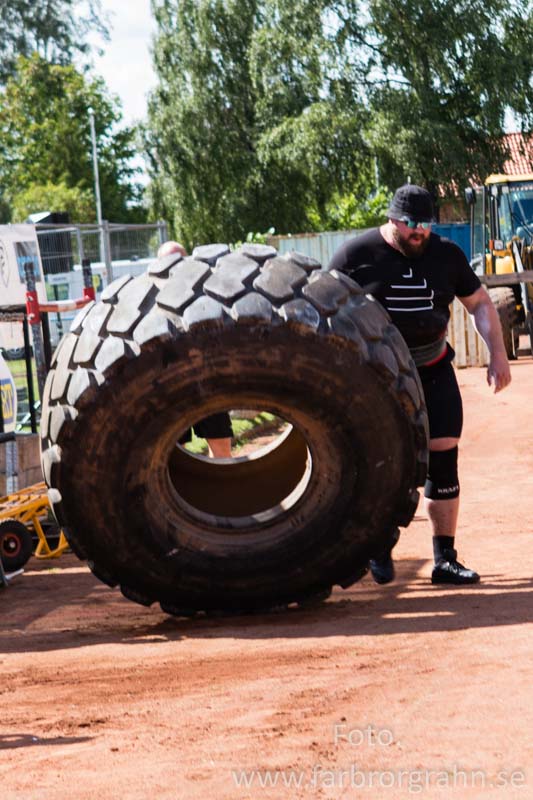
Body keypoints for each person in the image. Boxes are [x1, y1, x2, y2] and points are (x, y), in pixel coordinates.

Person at [329, 184, 511, 585]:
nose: (419, 233)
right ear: (393, 219)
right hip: (379, 377)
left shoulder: (445, 254)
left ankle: (444, 558)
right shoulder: (355, 255)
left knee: (444, 453)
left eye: (426, 225)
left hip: (433, 365)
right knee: (384, 460)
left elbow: (479, 303)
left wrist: (497, 353)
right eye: (411, 225)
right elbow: (323, 308)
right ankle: (378, 545)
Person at [157, 240, 233, 458]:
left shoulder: (205, 288)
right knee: (172, 452)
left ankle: (225, 487)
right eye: (167, 262)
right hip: (172, 384)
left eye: (178, 260)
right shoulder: (152, 295)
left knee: (220, 445)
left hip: (207, 378)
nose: (173, 267)